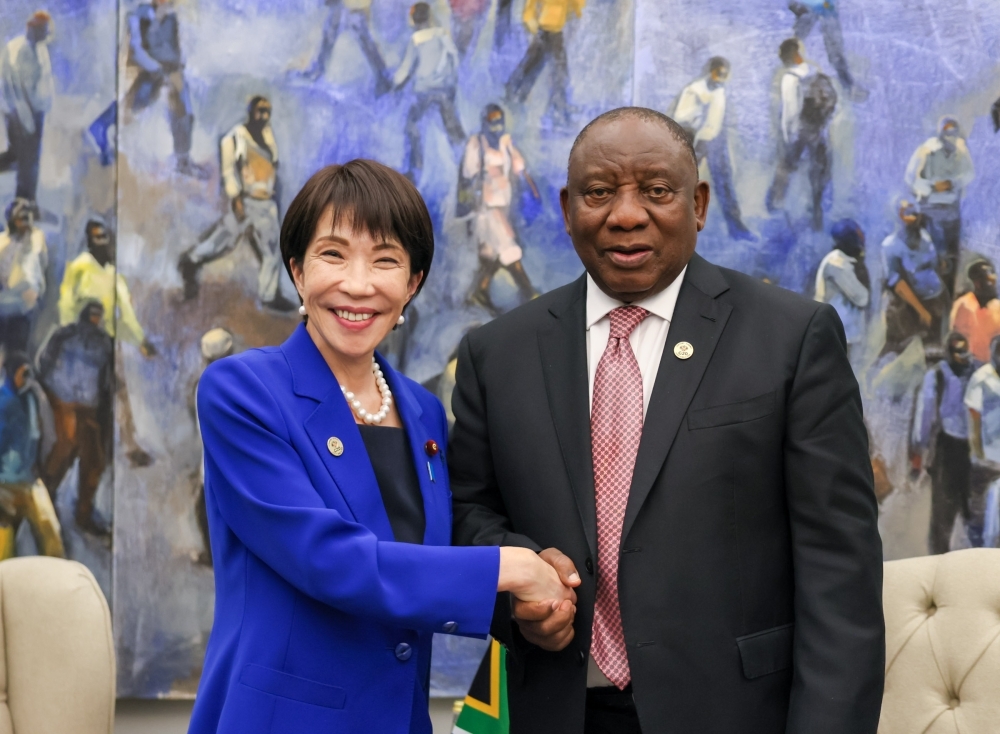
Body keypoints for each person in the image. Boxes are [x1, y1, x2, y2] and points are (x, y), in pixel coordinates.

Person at [450, 107, 883, 732]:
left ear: (699, 204)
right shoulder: (498, 353)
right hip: (554, 708)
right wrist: (520, 568)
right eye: (599, 193)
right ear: (570, 207)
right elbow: (467, 513)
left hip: (734, 714)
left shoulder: (791, 338)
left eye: (656, 191)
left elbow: (839, 570)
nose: (626, 214)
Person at [187, 160, 575, 733]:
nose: (359, 284)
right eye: (333, 254)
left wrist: (535, 600)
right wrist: (508, 567)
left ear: (413, 283)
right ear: (296, 270)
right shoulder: (242, 390)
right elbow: (330, 560)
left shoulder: (421, 410)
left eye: (386, 259)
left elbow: (429, 556)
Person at [178, 97, 297, 310]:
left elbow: (272, 166)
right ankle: (191, 261)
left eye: (267, 112)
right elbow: (228, 171)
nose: (264, 116)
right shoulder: (235, 138)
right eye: (260, 111)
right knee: (222, 241)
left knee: (272, 251)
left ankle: (269, 296)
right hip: (245, 201)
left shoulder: (268, 136)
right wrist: (236, 199)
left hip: (266, 203)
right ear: (250, 112)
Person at [59, 218, 156, 466]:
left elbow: (126, 312)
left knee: (120, 394)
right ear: (89, 240)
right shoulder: (79, 267)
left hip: (109, 346)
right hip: (84, 346)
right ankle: (82, 449)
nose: (102, 242)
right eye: (96, 237)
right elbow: (67, 305)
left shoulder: (113, 273)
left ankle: (130, 446)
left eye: (105, 237)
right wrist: (70, 338)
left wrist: (141, 340)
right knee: (86, 398)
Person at [88, 0, 207, 177]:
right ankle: (100, 126)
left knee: (184, 109)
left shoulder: (171, 18)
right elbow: (136, 50)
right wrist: (157, 70)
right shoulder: (138, 17)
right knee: (134, 105)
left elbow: (175, 48)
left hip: (169, 70)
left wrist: (176, 69)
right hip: (147, 71)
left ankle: (183, 159)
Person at [37, 301, 114, 537]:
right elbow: (44, 363)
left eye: (97, 316)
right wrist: (51, 396)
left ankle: (83, 513)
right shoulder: (64, 334)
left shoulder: (105, 343)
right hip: (62, 401)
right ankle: (44, 503)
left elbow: (107, 382)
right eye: (91, 315)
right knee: (64, 448)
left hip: (88, 408)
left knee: (94, 461)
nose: (94, 320)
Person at [461, 104, 538, 315]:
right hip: (485, 209)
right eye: (492, 122)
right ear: (484, 122)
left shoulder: (506, 141)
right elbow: (468, 173)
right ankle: (529, 292)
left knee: (492, 256)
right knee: (509, 250)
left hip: (503, 207)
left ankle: (478, 292)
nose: (496, 126)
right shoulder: (475, 144)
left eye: (499, 121)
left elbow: (518, 166)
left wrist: (530, 186)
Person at [673, 57, 754, 241]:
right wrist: (695, 133)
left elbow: (720, 119)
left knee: (725, 185)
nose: (722, 77)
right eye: (719, 72)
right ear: (711, 71)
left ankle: (737, 228)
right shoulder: (694, 90)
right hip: (695, 141)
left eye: (725, 73)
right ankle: (675, 229)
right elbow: (681, 117)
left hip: (716, 142)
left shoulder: (721, 91)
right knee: (683, 184)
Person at [912, 332, 978, 554]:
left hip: (973, 451)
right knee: (942, 513)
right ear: (949, 352)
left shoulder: (977, 373)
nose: (963, 356)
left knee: (972, 512)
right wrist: (919, 449)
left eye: (964, 351)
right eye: (958, 351)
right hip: (947, 448)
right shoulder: (937, 375)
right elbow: (925, 414)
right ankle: (937, 562)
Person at [766, 38, 836, 231]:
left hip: (799, 132)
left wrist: (788, 136)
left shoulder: (790, 78)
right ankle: (816, 212)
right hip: (818, 132)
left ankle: (775, 204)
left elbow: (790, 110)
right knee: (818, 172)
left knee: (786, 167)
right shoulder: (815, 72)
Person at [0, 350, 62, 560]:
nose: (26, 377)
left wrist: (41, 466)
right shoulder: (2, 402)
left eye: (28, 372)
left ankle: (57, 587)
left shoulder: (31, 398)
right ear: (11, 373)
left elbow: (46, 435)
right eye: (22, 373)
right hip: (4, 486)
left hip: (30, 482)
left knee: (51, 535)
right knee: (4, 552)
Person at [393, 2, 464, 183]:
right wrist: (451, 80)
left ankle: (415, 166)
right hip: (444, 89)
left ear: (414, 19)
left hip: (424, 90)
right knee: (453, 128)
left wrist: (394, 84)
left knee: (412, 125)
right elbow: (454, 57)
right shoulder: (442, 34)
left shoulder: (416, 40)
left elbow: (405, 70)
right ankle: (465, 166)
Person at [904, 117, 974, 296]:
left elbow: (968, 174)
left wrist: (952, 183)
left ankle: (948, 298)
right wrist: (933, 187)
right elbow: (911, 179)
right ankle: (932, 298)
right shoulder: (927, 150)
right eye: (947, 132)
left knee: (951, 257)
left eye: (954, 132)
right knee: (933, 256)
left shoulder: (961, 149)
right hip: (930, 212)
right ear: (940, 133)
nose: (951, 136)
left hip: (951, 212)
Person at [188, 327, 235, 567]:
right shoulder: (242, 381)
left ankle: (215, 557)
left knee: (204, 510)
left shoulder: (203, 385)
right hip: (233, 464)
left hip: (216, 466)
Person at [880, 199, 948, 356]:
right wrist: (921, 311)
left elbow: (934, 265)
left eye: (916, 213)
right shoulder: (890, 245)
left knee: (933, 350)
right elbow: (897, 284)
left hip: (934, 300)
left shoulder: (925, 237)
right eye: (908, 213)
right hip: (910, 307)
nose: (914, 217)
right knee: (898, 351)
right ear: (899, 215)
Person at [0, 12, 53, 203]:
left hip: (36, 112)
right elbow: (15, 90)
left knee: (27, 159)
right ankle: (25, 202)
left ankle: (27, 200)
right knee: (26, 161)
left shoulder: (41, 49)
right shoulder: (17, 50)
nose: (46, 36)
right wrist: (26, 118)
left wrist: (46, 106)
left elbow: (45, 81)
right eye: (43, 31)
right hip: (19, 113)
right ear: (32, 29)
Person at [505, 0, 585, 126]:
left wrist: (576, 14)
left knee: (538, 63)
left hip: (552, 28)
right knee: (556, 69)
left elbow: (576, 5)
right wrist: (531, 23)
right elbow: (530, 7)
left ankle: (515, 89)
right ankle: (557, 108)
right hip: (547, 28)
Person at [295, 0, 390, 92]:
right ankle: (382, 77)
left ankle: (382, 77)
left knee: (364, 40)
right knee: (331, 34)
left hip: (352, 6)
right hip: (342, 5)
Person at [963, 335, 1000, 547]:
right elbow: (974, 418)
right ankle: (977, 549)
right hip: (986, 458)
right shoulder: (982, 378)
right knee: (978, 512)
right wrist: (978, 452)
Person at [787, 0, 865, 98]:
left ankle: (848, 85)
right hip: (812, 8)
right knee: (794, 45)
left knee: (835, 52)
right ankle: (787, 82)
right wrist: (794, 5)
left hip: (826, 8)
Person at [814, 218, 868, 358]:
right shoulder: (837, 264)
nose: (863, 240)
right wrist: (862, 268)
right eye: (859, 236)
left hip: (842, 333)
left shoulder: (844, 260)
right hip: (837, 334)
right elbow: (862, 298)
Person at [0, 198, 48, 354]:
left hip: (24, 302)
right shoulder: (3, 241)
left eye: (28, 218)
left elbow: (39, 265)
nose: (25, 223)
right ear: (12, 220)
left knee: (17, 350)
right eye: (21, 219)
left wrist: (36, 291)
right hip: (3, 300)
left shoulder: (36, 238)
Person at [950, 259, 1000, 363]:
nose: (992, 286)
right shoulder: (963, 305)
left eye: (993, 281)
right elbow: (956, 338)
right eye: (987, 281)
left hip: (993, 365)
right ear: (977, 283)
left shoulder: (997, 306)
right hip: (970, 363)